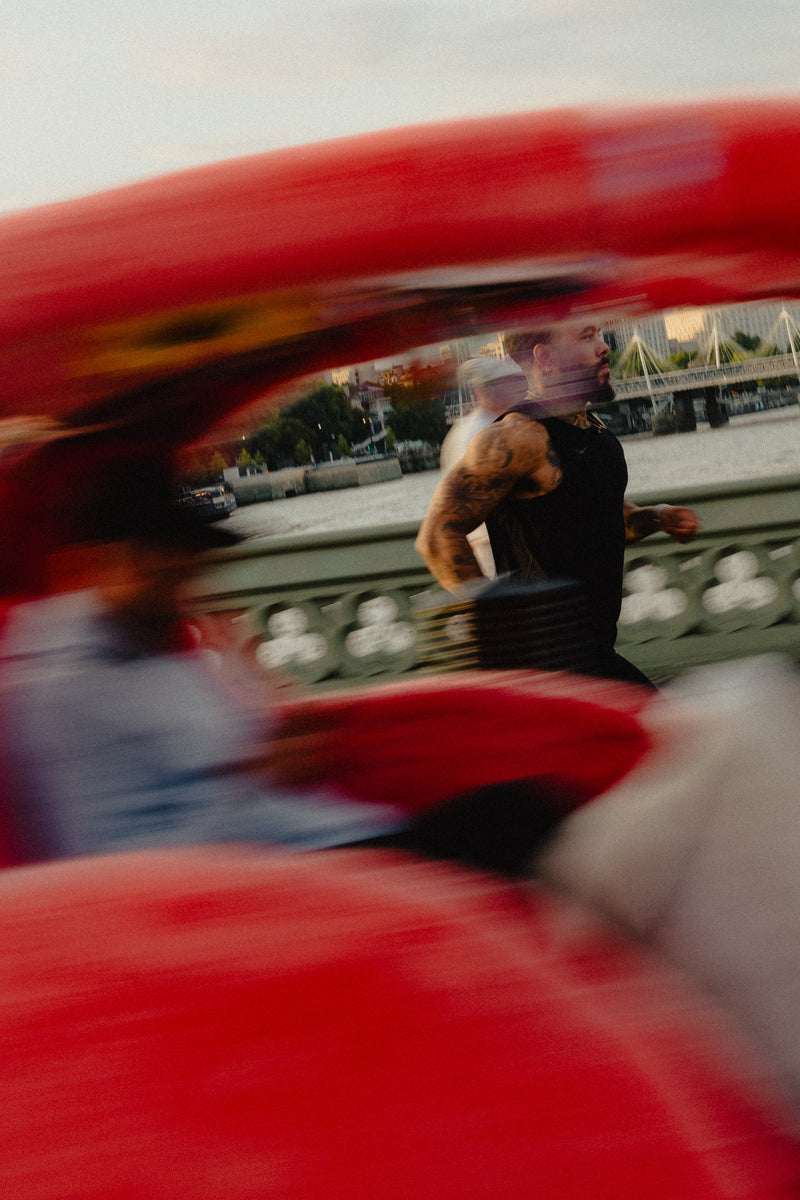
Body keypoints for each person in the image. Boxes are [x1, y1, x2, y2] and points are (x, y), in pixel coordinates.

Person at [0, 449, 402, 862]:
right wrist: (258, 778)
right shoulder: (65, 686)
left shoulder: (159, 647)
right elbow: (111, 860)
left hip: (324, 840)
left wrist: (271, 757)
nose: (186, 579)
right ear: (106, 561)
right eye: (165, 560)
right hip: (274, 869)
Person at [415, 321, 700, 686]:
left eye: (599, 335)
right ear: (546, 358)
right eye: (586, 337)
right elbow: (437, 536)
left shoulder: (594, 432)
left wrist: (658, 517)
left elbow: (605, 521)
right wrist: (507, 628)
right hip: (548, 670)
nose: (603, 347)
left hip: (594, 654)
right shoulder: (517, 437)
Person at [439, 355, 527, 577]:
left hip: (498, 540)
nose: (519, 390)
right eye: (509, 384)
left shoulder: (477, 425)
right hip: (493, 543)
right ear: (484, 390)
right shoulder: (479, 431)